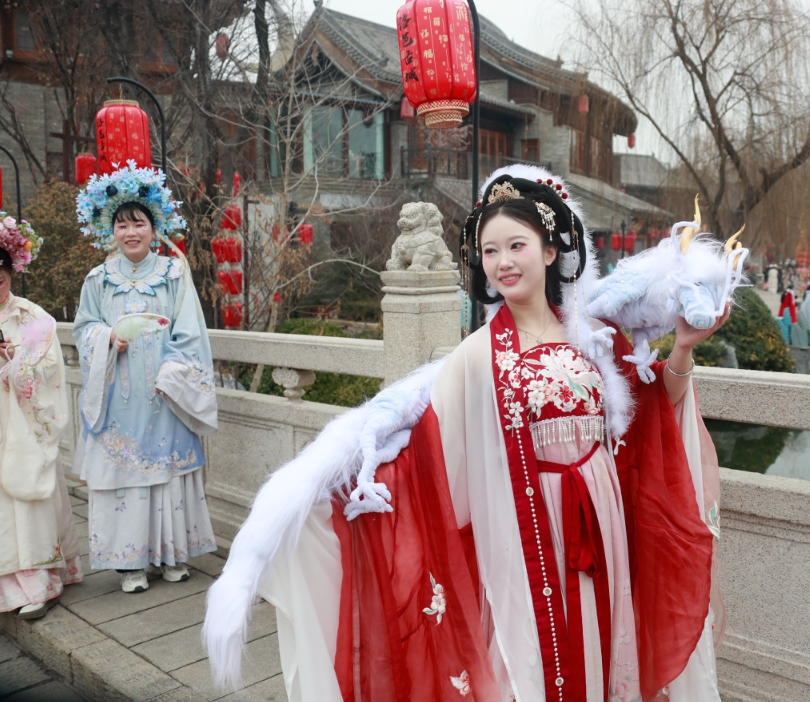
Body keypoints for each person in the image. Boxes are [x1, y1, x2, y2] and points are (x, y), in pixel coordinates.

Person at [205, 167, 731, 702]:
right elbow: (426, 456)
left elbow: (650, 421)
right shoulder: (478, 355)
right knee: (528, 670)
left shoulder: (593, 338)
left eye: (516, 245)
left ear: (550, 251)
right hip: (524, 538)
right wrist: (324, 503)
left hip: (600, 527)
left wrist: (684, 349)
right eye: (489, 250)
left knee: (600, 648)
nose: (503, 262)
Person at [72, 163, 218, 593]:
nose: (130, 232)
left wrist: (172, 373)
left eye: (138, 223)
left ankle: (172, 555)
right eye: (122, 224)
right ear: (110, 230)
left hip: (164, 394)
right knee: (124, 477)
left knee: (167, 473)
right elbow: (83, 329)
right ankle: (129, 564)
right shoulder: (98, 280)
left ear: (155, 228)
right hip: (119, 396)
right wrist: (107, 336)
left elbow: (190, 331)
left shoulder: (174, 274)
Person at [0, 215, 84, 620]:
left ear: (10, 271)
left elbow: (49, 370)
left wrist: (17, 364)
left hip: (22, 422)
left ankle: (39, 583)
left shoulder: (33, 317)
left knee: (26, 496)